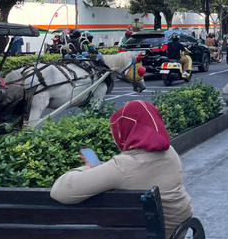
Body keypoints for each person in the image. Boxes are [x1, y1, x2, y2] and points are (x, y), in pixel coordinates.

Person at [51, 100, 194, 237]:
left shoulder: (122, 167)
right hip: (180, 227)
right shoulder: (170, 152)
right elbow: (135, 172)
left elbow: (60, 192)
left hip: (149, 234)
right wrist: (102, 168)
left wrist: (87, 168)